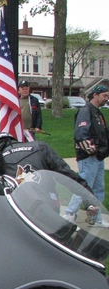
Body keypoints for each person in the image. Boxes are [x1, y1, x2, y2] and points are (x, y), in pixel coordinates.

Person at [0, 132, 90, 196]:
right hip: (47, 206)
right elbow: (65, 173)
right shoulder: (40, 147)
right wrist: (87, 194)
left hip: (11, 212)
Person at [63, 85, 109, 226]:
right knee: (83, 188)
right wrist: (92, 151)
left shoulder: (97, 113)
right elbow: (81, 135)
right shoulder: (85, 111)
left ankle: (95, 218)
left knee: (98, 189)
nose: (106, 99)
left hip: (98, 158)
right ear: (95, 95)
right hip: (89, 158)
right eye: (104, 95)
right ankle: (69, 214)